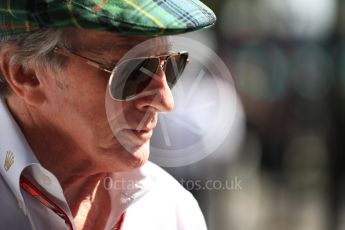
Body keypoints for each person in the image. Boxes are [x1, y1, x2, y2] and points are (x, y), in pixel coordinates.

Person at [0, 0, 216, 230]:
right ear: (25, 74)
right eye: (131, 71)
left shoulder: (171, 209)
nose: (165, 102)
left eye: (171, 65)